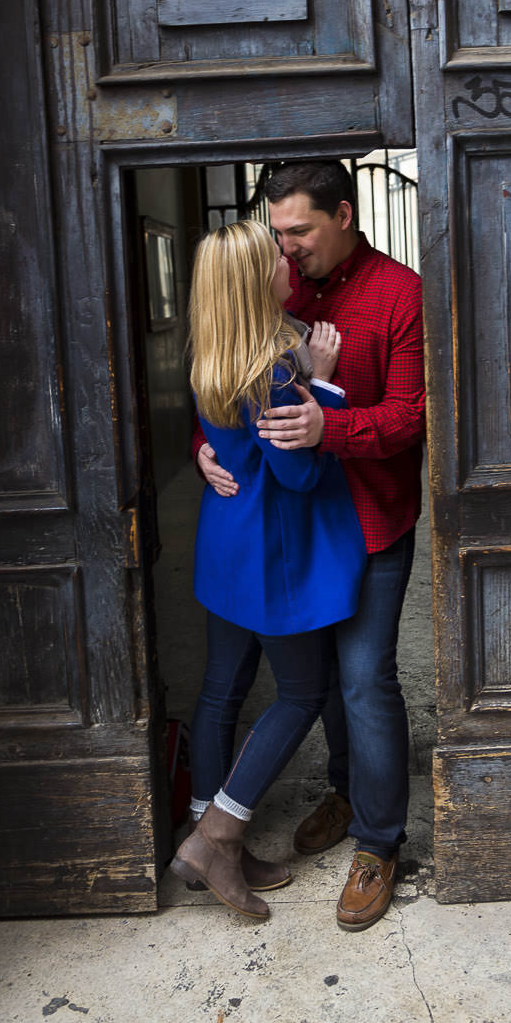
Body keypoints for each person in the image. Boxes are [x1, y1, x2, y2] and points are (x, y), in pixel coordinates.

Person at [195, 161, 425, 931]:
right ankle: (347, 788)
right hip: (296, 537)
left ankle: (378, 842)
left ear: (345, 215)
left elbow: (410, 417)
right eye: (277, 235)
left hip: (369, 522)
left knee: (362, 683)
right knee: (318, 686)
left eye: (298, 232)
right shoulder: (278, 288)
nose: (285, 250)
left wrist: (333, 425)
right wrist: (207, 443)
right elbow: (234, 368)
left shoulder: (399, 293)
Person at [171, 219, 366, 922]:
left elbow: (232, 441)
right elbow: (300, 475)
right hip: (272, 555)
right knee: (302, 693)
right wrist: (328, 384)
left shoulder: (213, 353)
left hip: (226, 545)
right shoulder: (279, 367)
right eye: (276, 257)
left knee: (223, 689)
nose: (290, 261)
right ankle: (218, 837)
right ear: (258, 283)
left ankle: (203, 828)